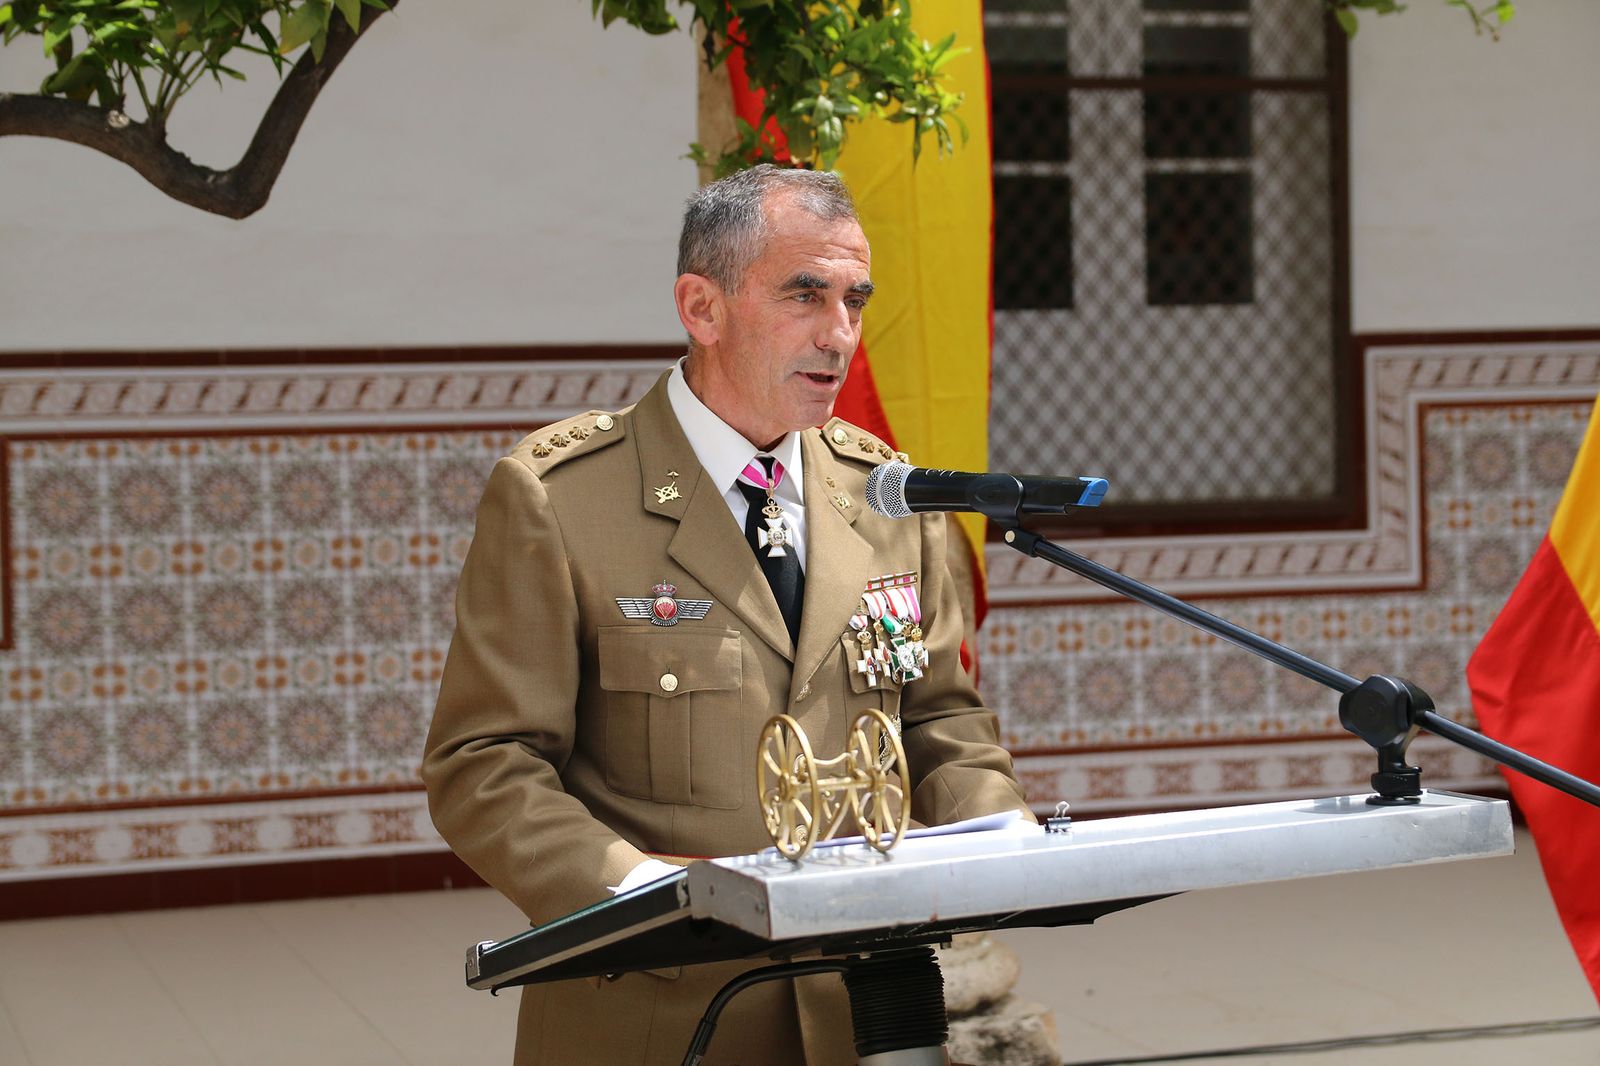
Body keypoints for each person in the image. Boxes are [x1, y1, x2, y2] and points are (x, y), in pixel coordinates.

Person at [422, 164, 1033, 1065]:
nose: (840, 335)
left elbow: (938, 715)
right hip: (660, 1011)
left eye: (855, 300)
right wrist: (636, 891)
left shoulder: (889, 495)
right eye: (805, 295)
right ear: (701, 308)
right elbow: (483, 763)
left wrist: (1004, 831)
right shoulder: (561, 499)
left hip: (870, 1010)